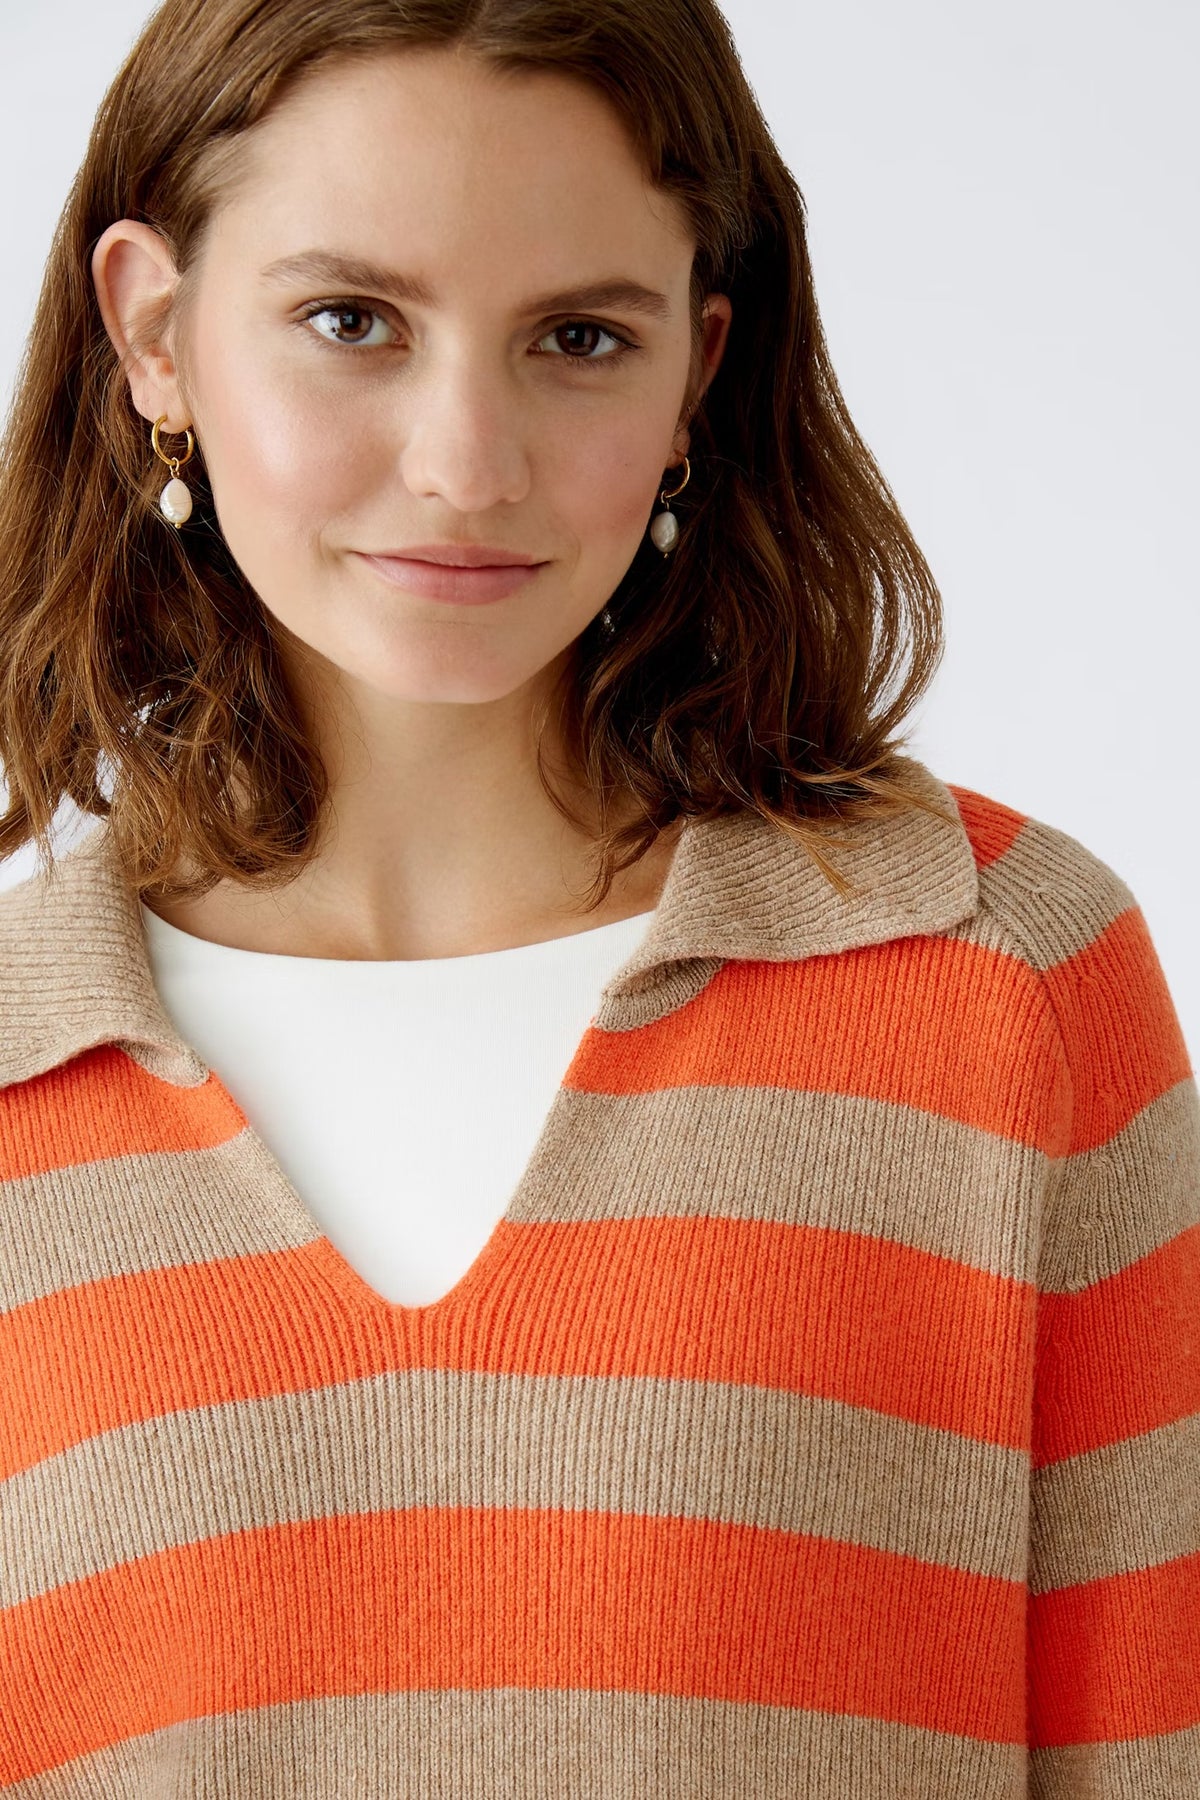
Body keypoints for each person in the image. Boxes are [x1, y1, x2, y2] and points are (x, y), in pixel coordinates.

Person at [0, 1, 1196, 1794]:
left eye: (578, 338)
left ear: (697, 368)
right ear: (154, 335)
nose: (466, 463)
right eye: (352, 321)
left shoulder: (1003, 980)